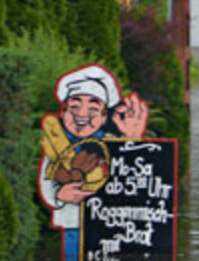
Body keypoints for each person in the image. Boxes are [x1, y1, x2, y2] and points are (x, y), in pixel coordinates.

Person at [37, 64, 150, 230]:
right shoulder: (55, 146)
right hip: (71, 223)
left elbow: (135, 176)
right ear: (63, 112)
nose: (82, 115)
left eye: (93, 109)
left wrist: (133, 138)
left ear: (104, 117)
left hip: (110, 225)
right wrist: (59, 196)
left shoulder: (113, 144)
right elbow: (46, 181)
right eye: (74, 107)